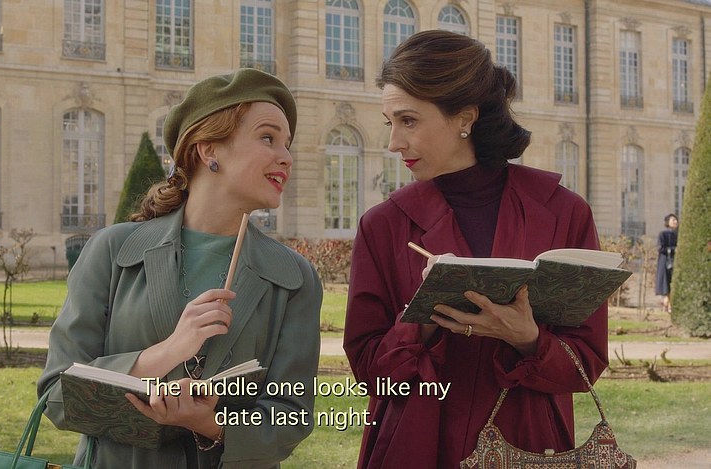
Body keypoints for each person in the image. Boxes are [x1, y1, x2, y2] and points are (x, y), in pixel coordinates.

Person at [343, 30, 609, 468]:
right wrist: (422, 319)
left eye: (408, 121)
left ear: (465, 118)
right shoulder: (382, 225)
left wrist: (527, 339)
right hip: (415, 448)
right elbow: (368, 370)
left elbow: (588, 362)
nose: (393, 143)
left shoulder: (564, 213)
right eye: (389, 122)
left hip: (528, 447)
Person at [38, 69, 323, 468]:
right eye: (267, 137)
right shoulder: (113, 251)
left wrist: (210, 423)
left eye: (287, 144)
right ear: (209, 150)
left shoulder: (294, 278)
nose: (287, 157)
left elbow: (291, 417)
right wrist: (167, 352)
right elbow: (56, 396)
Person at [655, 213, 679, 313]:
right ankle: (668, 305)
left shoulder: (679, 234)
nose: (676, 222)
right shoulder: (663, 234)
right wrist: (673, 250)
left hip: (676, 261)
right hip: (665, 261)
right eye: (673, 220)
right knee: (666, 284)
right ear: (668, 222)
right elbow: (661, 248)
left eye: (676, 220)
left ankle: (669, 305)